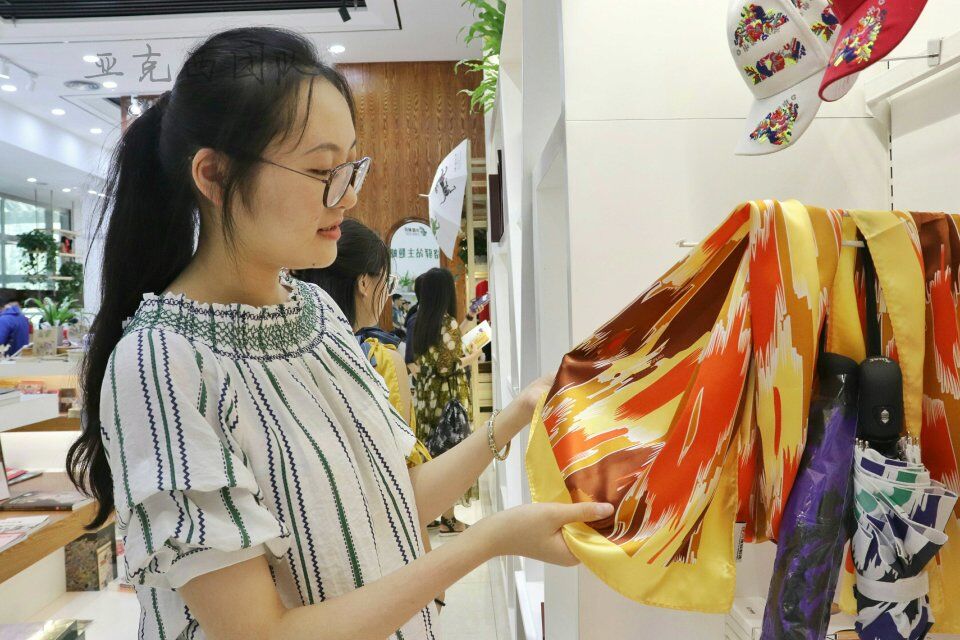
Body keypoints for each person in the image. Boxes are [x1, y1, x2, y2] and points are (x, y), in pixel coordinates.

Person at [65, 26, 611, 640]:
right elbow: (261, 634)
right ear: (214, 176)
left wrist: (515, 415)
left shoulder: (318, 313)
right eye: (323, 170)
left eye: (351, 166)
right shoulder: (161, 361)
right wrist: (487, 541)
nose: (349, 197)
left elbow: (392, 499)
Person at [410, 267, 484, 536]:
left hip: (426, 397)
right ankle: (449, 518)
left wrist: (468, 320)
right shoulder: (447, 322)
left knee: (431, 454)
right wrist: (472, 357)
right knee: (451, 454)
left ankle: (432, 513)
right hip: (447, 399)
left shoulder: (421, 320)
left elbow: (436, 355)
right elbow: (447, 366)